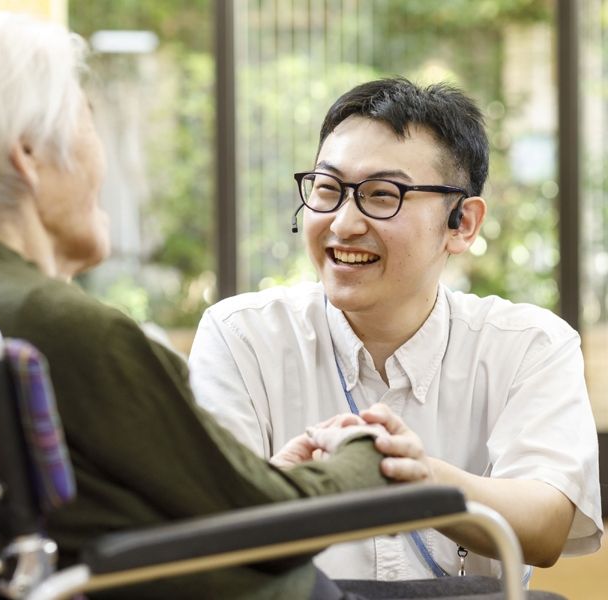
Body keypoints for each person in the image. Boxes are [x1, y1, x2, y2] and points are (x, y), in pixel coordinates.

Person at [0, 13, 478, 600]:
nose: (101, 161)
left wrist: (274, 482)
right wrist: (368, 452)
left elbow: (204, 504)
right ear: (28, 156)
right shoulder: (62, 328)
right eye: (88, 126)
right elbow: (264, 525)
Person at [188, 78, 603, 583]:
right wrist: (279, 493)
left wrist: (423, 478)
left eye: (383, 195)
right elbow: (201, 539)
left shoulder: (529, 346)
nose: (343, 224)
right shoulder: (241, 337)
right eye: (328, 189)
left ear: (462, 224)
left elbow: (546, 525)